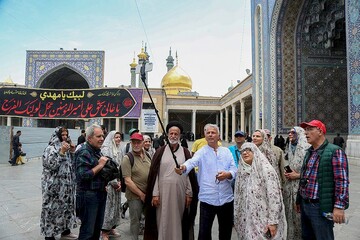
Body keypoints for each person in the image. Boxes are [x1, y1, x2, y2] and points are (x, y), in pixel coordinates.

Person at [175, 124, 237, 240]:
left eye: (213, 132)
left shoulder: (226, 152)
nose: (210, 135)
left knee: (225, 231)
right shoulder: (202, 152)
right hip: (207, 199)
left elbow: (234, 169)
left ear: (218, 135)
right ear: (205, 135)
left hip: (226, 198)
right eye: (208, 133)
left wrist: (228, 174)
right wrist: (183, 167)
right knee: (204, 233)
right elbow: (192, 162)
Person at [144, 121, 198, 240]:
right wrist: (155, 194)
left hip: (180, 193)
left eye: (176, 134)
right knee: (162, 220)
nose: (173, 136)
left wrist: (189, 193)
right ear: (167, 135)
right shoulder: (160, 151)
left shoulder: (185, 152)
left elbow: (189, 174)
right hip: (162, 194)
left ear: (180, 136)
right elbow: (155, 175)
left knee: (178, 219)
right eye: (171, 133)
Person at [296, 120, 349, 240]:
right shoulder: (309, 152)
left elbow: (341, 180)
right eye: (305, 130)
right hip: (305, 205)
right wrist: (299, 200)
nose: (306, 133)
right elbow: (305, 177)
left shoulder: (334, 151)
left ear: (320, 131)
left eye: (310, 129)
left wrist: (339, 207)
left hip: (320, 207)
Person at [234, 142, 287, 239]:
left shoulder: (266, 170)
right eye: (242, 151)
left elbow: (274, 198)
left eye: (249, 150)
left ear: (255, 152)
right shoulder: (242, 171)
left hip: (263, 220)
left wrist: (273, 222)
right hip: (246, 220)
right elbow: (238, 197)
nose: (245, 153)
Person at [40, 127, 77, 240]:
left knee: (66, 209)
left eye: (66, 134)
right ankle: (49, 235)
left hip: (65, 187)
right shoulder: (50, 149)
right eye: (63, 134)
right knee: (51, 210)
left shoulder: (65, 146)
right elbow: (51, 165)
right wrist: (61, 152)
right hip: (53, 188)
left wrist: (72, 151)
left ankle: (65, 231)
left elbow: (71, 164)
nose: (65, 136)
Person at [75, 124, 109, 240]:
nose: (102, 139)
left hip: (99, 193)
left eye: (103, 136)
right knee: (87, 232)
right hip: (88, 195)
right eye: (98, 136)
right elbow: (83, 175)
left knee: (96, 230)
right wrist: (100, 165)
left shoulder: (97, 151)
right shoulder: (84, 152)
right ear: (89, 138)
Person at [121, 132, 151, 240]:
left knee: (148, 220)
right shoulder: (127, 158)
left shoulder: (147, 154)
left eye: (138, 142)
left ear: (143, 143)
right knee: (135, 222)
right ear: (131, 143)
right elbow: (127, 181)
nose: (136, 145)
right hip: (135, 196)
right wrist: (141, 194)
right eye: (134, 142)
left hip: (147, 194)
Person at [283, 126, 310, 239]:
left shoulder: (308, 149)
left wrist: (298, 175)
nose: (290, 134)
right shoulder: (290, 147)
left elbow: (314, 173)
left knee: (301, 220)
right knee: (291, 217)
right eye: (289, 132)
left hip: (303, 190)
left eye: (293, 132)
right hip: (291, 188)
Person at [100, 131, 123, 240]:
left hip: (117, 181)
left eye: (119, 137)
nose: (118, 139)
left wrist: (120, 181)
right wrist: (114, 181)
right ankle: (104, 231)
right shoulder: (106, 150)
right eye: (116, 137)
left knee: (115, 207)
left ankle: (112, 227)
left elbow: (120, 167)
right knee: (108, 208)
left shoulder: (118, 149)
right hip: (108, 182)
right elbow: (106, 169)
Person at [121, 128, 140, 219]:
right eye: (134, 133)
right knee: (132, 196)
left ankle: (124, 207)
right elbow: (123, 159)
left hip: (138, 173)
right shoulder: (127, 146)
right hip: (130, 172)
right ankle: (124, 208)